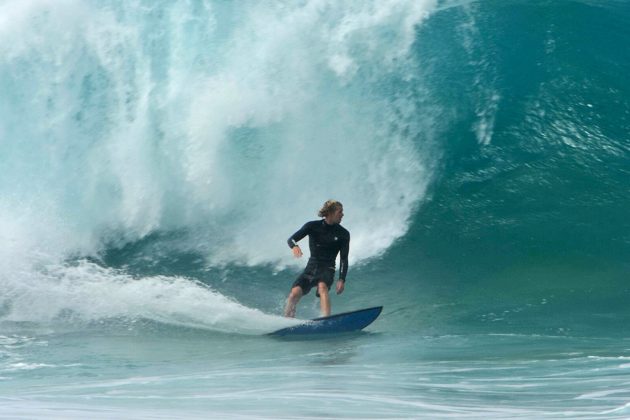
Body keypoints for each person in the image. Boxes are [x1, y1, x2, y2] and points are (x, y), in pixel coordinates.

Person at [284, 200, 350, 318]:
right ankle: (287, 320)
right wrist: (294, 246)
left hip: (328, 268)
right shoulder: (312, 226)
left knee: (322, 287)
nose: (342, 214)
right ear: (330, 212)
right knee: (294, 294)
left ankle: (325, 319)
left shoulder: (343, 234)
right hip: (311, 267)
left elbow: (344, 259)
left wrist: (341, 279)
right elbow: (292, 239)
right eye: (340, 212)